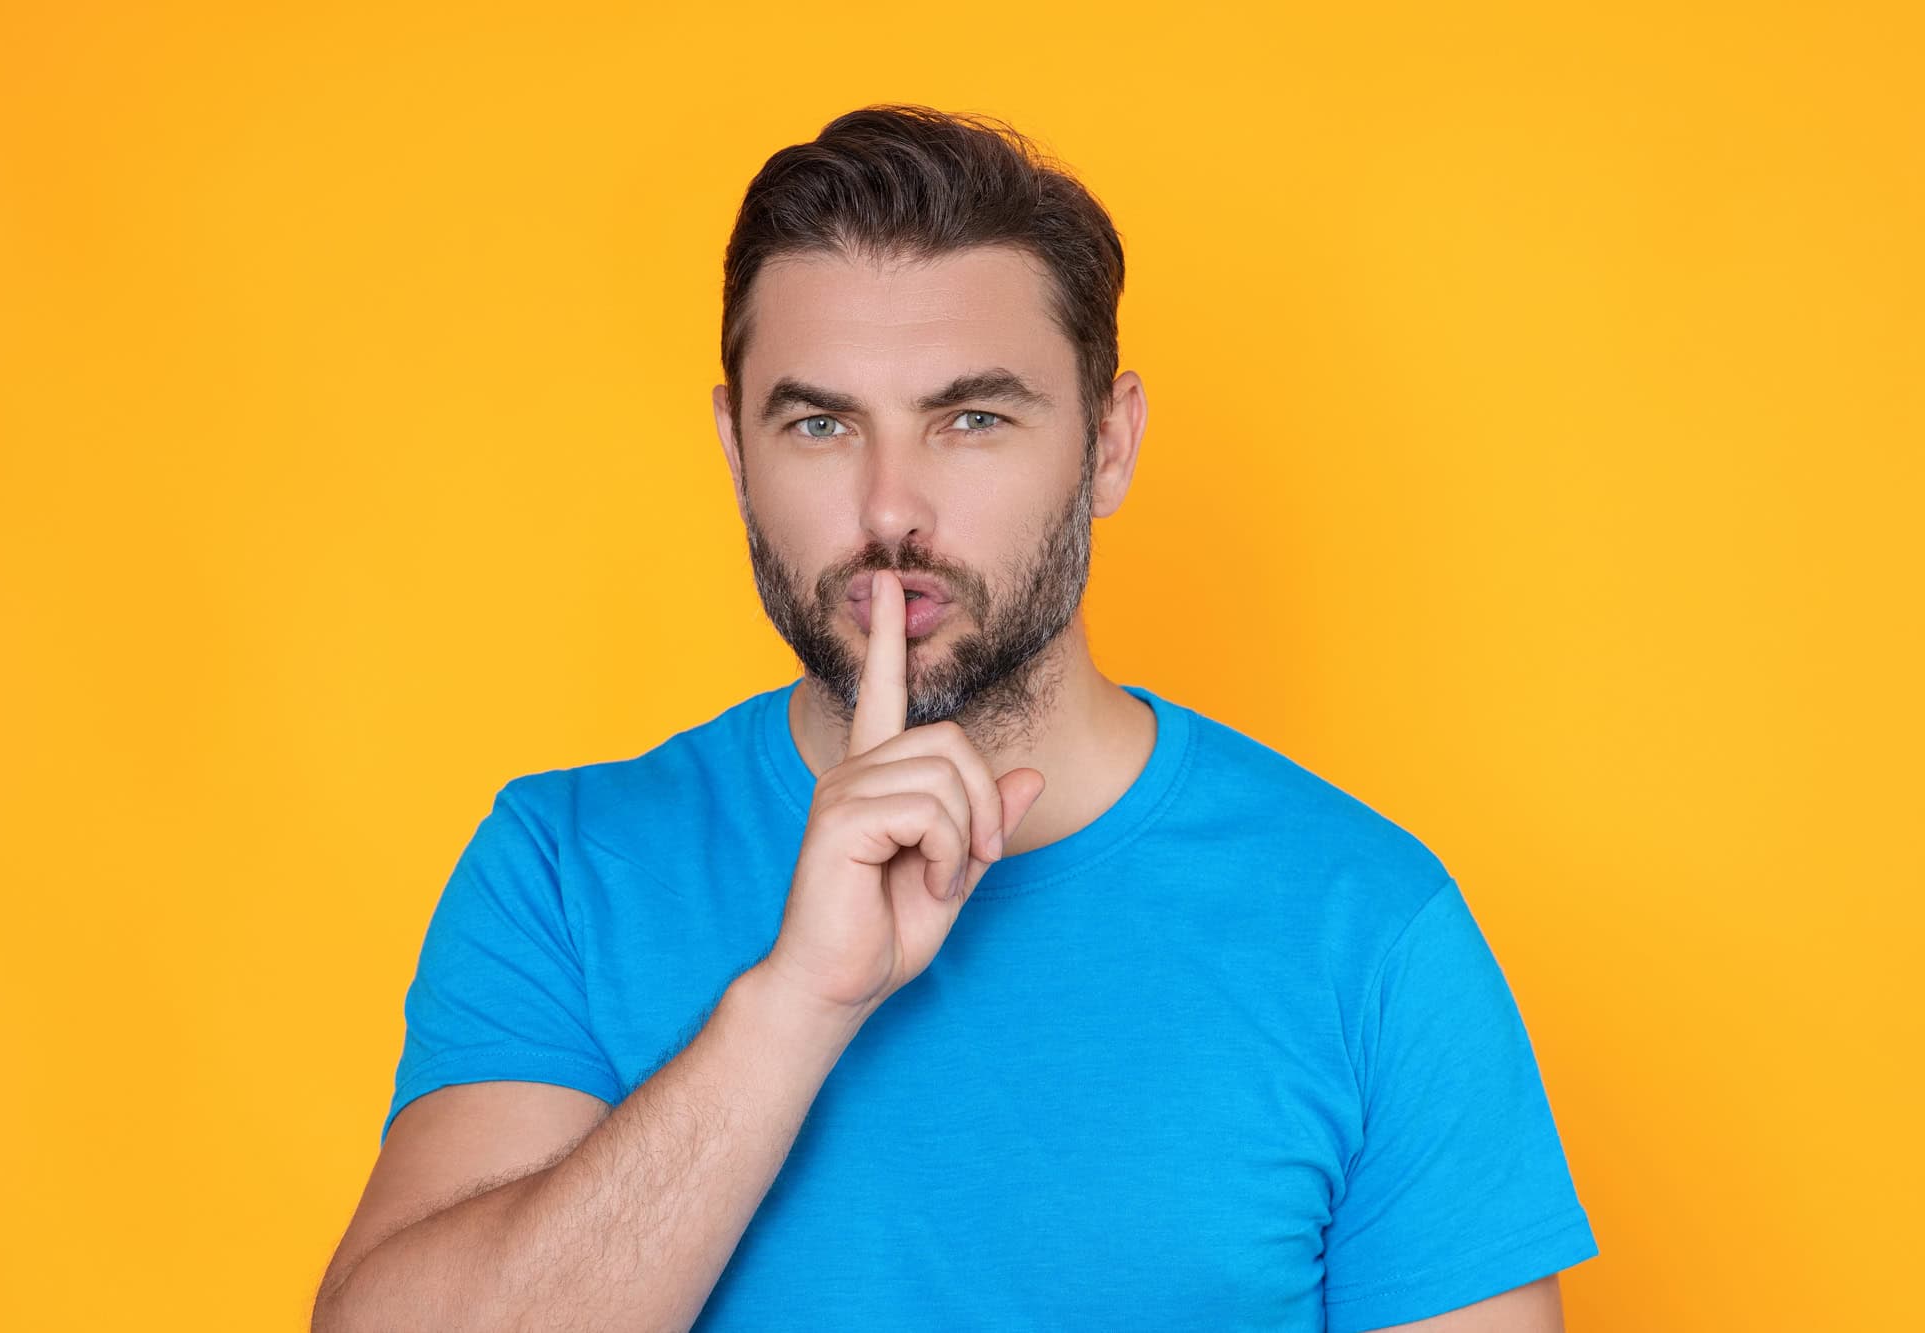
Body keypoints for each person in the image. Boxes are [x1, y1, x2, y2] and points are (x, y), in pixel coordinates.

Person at [312, 104, 1598, 1332]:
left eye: (970, 419)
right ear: (733, 451)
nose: (888, 508)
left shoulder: (1364, 926)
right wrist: (796, 1003)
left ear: (1106, 445)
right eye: (818, 423)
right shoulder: (565, 865)